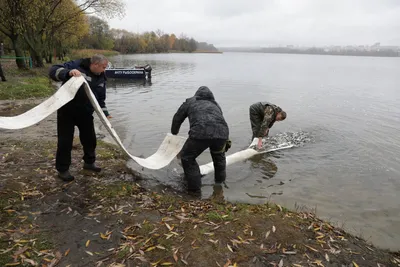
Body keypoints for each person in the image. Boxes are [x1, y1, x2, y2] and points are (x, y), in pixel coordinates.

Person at [49, 54, 111, 181]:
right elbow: (53, 70)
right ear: (95, 65)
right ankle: (63, 170)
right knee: (65, 141)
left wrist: (105, 113)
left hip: (86, 112)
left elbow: (100, 98)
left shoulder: (101, 77)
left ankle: (89, 163)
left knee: (90, 139)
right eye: (103, 67)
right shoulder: (77, 65)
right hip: (67, 110)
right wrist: (68, 72)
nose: (104, 70)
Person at [171, 86, 230, 195]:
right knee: (219, 158)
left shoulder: (190, 102)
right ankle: (219, 186)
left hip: (200, 132)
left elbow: (177, 117)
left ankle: (194, 191)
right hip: (222, 133)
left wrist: (174, 133)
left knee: (187, 158)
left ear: (196, 94)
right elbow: (220, 120)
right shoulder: (215, 104)